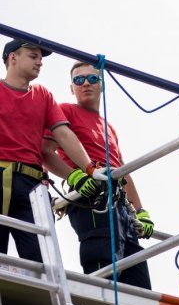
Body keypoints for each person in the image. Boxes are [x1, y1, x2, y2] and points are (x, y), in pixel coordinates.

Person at [42, 61, 153, 289]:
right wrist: (76, 177)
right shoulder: (66, 111)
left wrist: (141, 211)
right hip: (92, 198)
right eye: (78, 80)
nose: (85, 84)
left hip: (120, 205)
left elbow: (123, 170)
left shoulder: (108, 127)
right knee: (104, 271)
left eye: (92, 79)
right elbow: (45, 152)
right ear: (71, 88)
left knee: (137, 279)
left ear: (102, 85)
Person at [1, 39, 97, 262]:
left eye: (41, 59)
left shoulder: (43, 95)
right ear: (12, 57)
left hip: (32, 186)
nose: (40, 63)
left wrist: (88, 170)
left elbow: (63, 133)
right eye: (33, 57)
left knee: (43, 261)